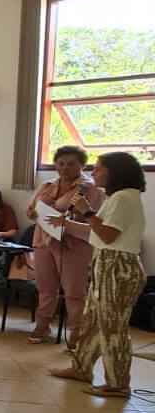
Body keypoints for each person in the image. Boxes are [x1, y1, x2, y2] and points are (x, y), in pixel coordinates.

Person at [47, 153, 146, 397]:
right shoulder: (119, 197)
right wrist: (67, 223)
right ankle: (81, 368)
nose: (94, 172)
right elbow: (101, 231)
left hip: (118, 267)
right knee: (91, 320)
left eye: (99, 168)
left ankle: (118, 383)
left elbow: (108, 235)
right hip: (106, 263)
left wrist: (87, 211)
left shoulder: (124, 198)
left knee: (113, 327)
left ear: (115, 172)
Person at [25, 145, 105, 347]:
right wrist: (33, 213)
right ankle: (42, 326)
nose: (65, 167)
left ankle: (77, 333)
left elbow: (93, 219)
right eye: (61, 163)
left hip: (73, 243)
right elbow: (31, 209)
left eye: (71, 164)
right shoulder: (47, 184)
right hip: (43, 240)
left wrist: (66, 218)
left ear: (82, 165)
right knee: (45, 288)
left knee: (74, 291)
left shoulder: (90, 188)